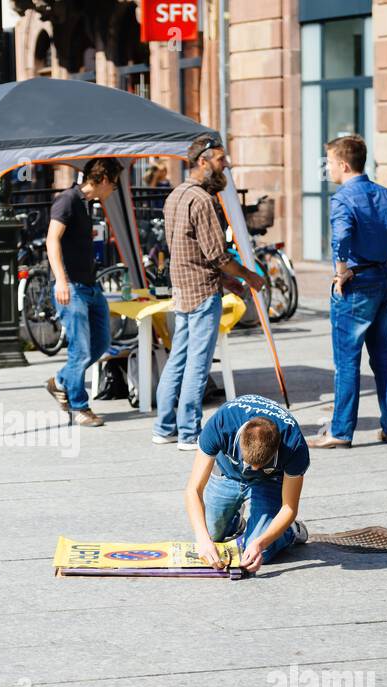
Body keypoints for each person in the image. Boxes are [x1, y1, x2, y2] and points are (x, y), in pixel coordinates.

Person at [153, 134, 267, 450]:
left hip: (184, 287)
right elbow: (217, 255)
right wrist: (249, 277)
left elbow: (187, 248)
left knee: (178, 358)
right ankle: (189, 433)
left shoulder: (175, 195)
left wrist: (226, 281)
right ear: (203, 161)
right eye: (221, 159)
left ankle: (164, 428)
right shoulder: (202, 200)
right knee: (198, 364)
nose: (226, 165)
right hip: (201, 291)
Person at [311, 134, 387, 449]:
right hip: (384, 280)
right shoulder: (385, 193)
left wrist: (340, 270)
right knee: (384, 357)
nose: (328, 167)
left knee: (347, 361)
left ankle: (340, 432)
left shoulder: (343, 198)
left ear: (344, 164)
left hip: (357, 283)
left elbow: (342, 236)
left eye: (330, 162)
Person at [185, 394, 309, 574]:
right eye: (248, 462)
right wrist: (203, 539)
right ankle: (235, 523)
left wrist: (260, 542)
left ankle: (290, 531)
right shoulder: (221, 423)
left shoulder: (294, 445)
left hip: (269, 482)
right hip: (227, 474)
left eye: (261, 465)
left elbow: (289, 508)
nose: (251, 468)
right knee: (211, 536)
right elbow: (193, 490)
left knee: (260, 553)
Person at [41, 157, 122, 428]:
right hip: (72, 286)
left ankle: (60, 381)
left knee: (100, 343)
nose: (115, 189)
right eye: (115, 182)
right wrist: (61, 280)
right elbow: (52, 239)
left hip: (90, 285)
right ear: (103, 180)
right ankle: (79, 407)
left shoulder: (86, 203)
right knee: (80, 349)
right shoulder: (67, 200)